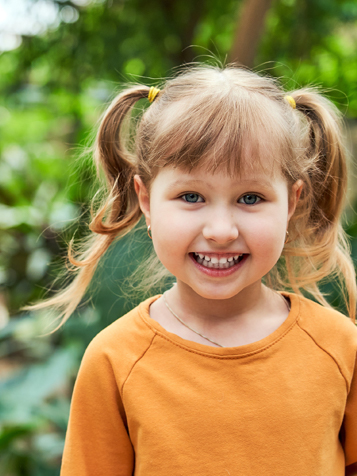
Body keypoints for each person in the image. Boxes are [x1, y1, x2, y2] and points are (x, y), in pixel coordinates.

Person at [27, 64, 357, 475]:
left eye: (251, 198)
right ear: (145, 200)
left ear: (291, 203)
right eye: (191, 196)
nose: (221, 231)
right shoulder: (114, 360)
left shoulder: (341, 347)